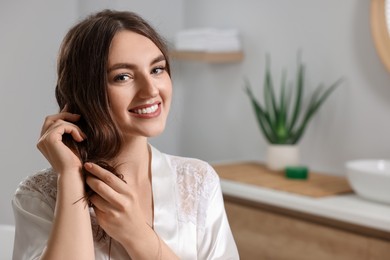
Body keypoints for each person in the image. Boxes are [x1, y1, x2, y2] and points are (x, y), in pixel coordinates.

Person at [12, 9, 239, 260]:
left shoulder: (197, 182)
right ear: (86, 91)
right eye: (123, 76)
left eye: (157, 69)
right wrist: (71, 179)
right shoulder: (39, 196)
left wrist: (136, 234)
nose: (150, 89)